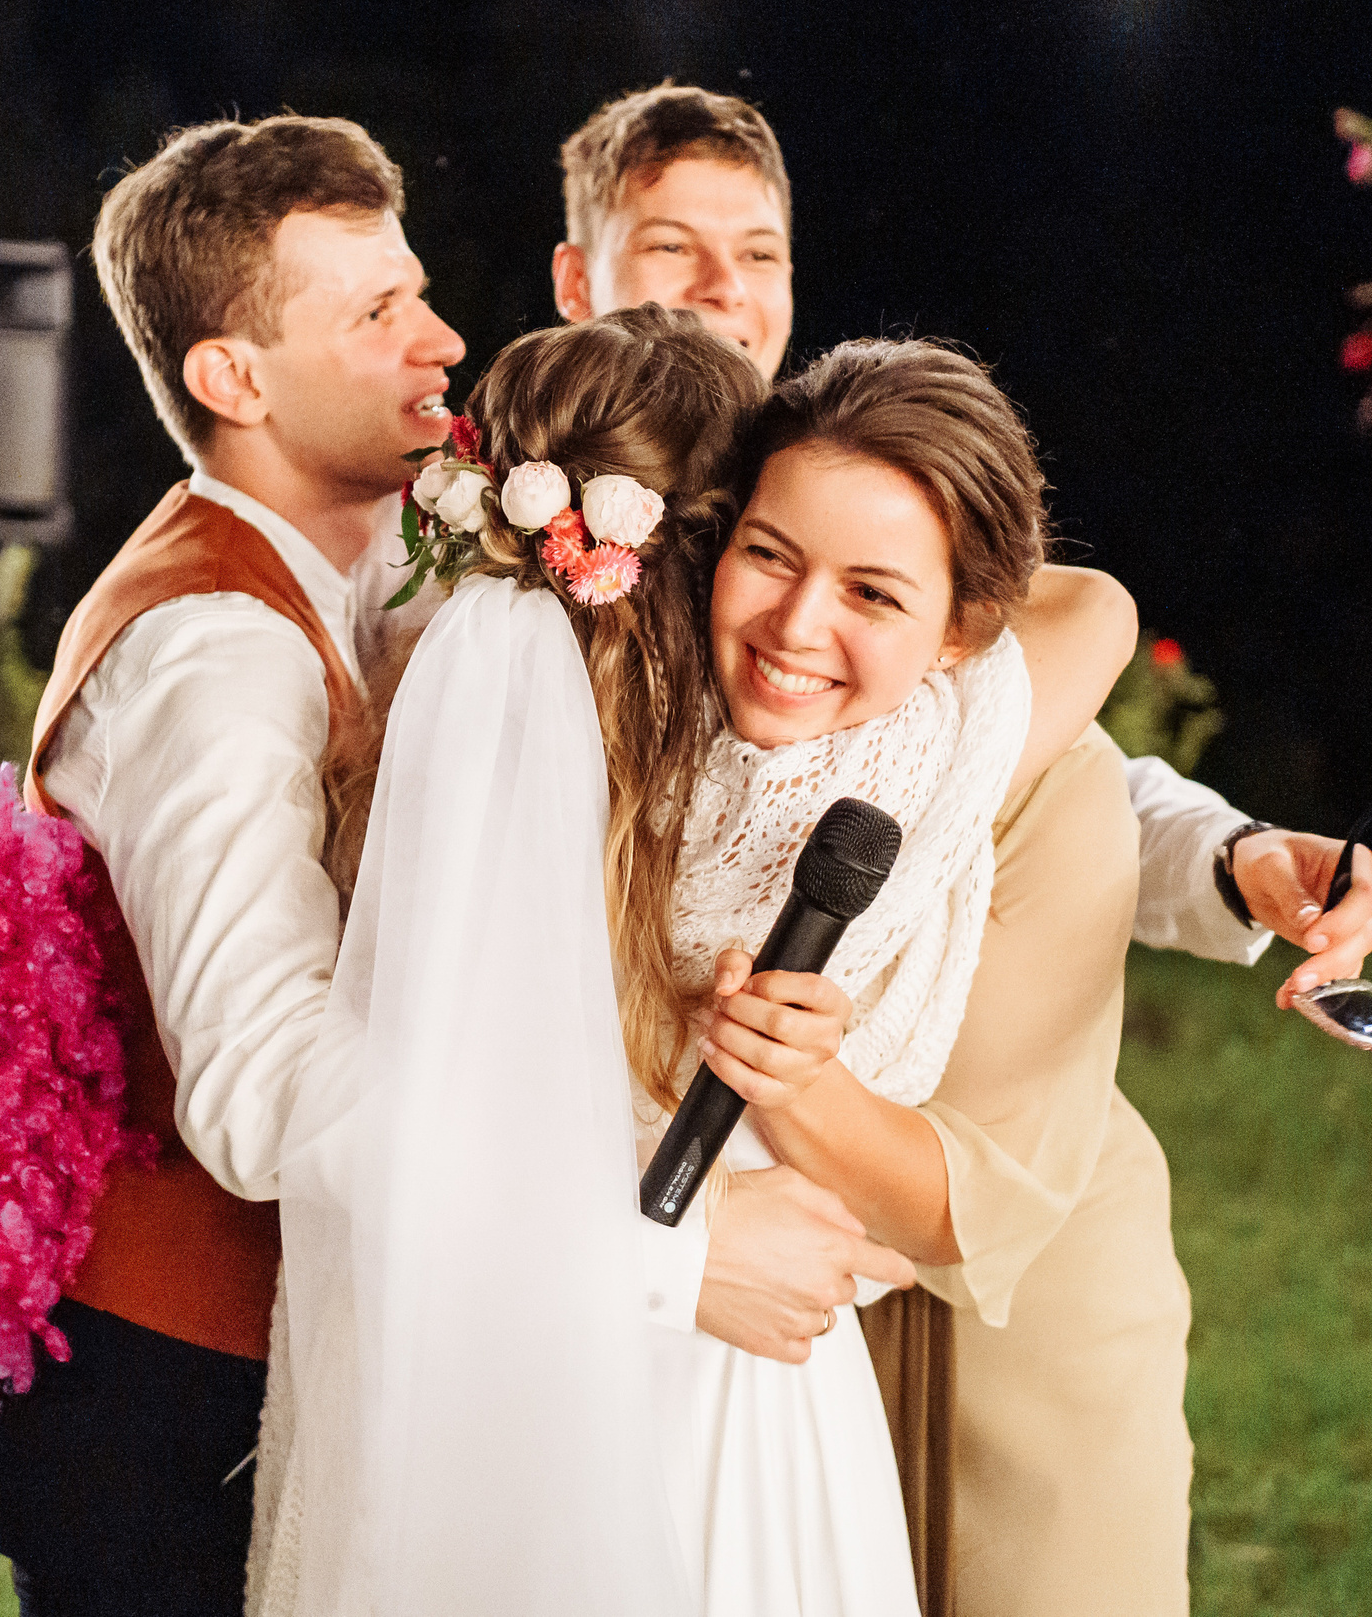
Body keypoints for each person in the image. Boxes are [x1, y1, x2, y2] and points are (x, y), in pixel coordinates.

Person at [540, 82, 1372, 1614]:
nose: (725, 292)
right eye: (675, 251)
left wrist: (1232, 853)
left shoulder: (861, 499)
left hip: (1023, 1215)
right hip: (758, 1257)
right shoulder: (556, 558)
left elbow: (1022, 748)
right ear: (577, 279)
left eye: (762, 255)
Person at [263, 306, 1137, 1615]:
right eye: (762, 552)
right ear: (698, 547)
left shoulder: (477, 737)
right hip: (720, 1377)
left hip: (539, 1377)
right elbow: (1094, 618)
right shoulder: (882, 771)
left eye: (870, 592)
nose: (796, 624)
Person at [0, 114, 469, 1617]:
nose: (439, 340)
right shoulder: (217, 650)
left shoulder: (351, 577)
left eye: (417, 291)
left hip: (211, 1368)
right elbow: (256, 1099)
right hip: (160, 1395)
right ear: (231, 379)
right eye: (374, 314)